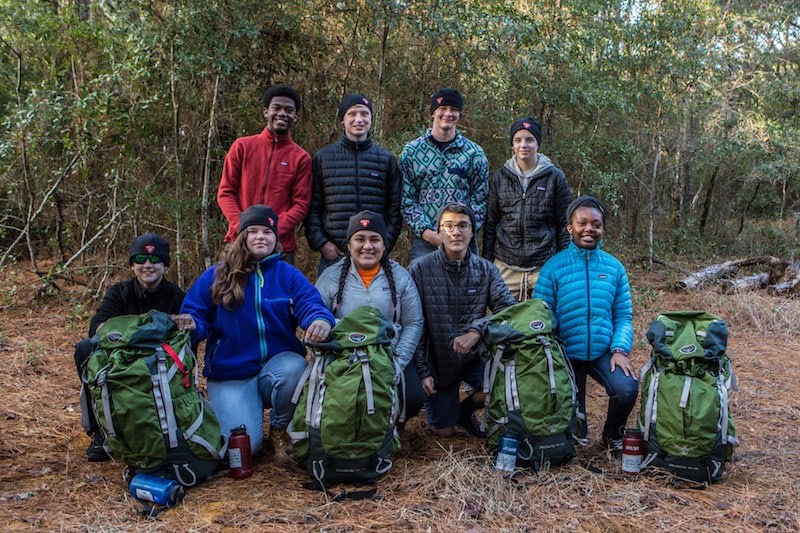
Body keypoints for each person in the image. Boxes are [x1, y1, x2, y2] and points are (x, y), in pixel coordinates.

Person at [174, 205, 334, 461]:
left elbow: (311, 305)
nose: (261, 237)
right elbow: (196, 315)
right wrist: (192, 324)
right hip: (231, 373)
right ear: (242, 238)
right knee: (243, 449)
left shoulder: (288, 275)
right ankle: (241, 413)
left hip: (276, 367)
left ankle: (279, 428)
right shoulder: (217, 275)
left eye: (268, 232)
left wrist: (320, 320)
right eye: (254, 231)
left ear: (276, 239)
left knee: (295, 368)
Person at [533, 196, 637, 452]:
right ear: (570, 227)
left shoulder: (614, 268)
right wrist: (551, 355)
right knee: (575, 435)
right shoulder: (553, 268)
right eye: (582, 223)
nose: (589, 229)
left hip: (603, 351)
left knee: (627, 388)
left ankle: (612, 434)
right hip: (565, 354)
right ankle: (572, 429)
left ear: (603, 229)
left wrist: (620, 349)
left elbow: (623, 316)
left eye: (596, 224)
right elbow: (540, 317)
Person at [315, 210, 424, 449]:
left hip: (388, 353)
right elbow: (315, 317)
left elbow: (414, 322)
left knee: (414, 395)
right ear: (349, 243)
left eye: (374, 239)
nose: (367, 246)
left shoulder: (401, 277)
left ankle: (397, 422)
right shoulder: (331, 277)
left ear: (384, 244)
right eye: (360, 239)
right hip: (344, 356)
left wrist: (399, 360)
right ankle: (343, 430)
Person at [408, 203, 516, 438]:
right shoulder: (419, 269)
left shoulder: (486, 270)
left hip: (474, 358)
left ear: (472, 231)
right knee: (443, 432)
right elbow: (413, 323)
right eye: (448, 226)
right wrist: (424, 370)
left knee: (497, 391)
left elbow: (509, 310)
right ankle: (449, 413)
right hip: (438, 363)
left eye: (462, 226)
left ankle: (464, 412)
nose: (455, 232)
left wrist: (477, 330)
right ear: (439, 231)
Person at [75, 233, 185, 461]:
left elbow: (187, 335)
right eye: (140, 259)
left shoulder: (177, 296)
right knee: (85, 349)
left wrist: (123, 330)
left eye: (155, 260)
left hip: (160, 361)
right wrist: (146, 329)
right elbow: (97, 327)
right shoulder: (119, 292)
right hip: (118, 358)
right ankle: (101, 431)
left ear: (165, 264)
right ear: (132, 264)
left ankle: (176, 424)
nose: (147, 265)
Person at [305, 94, 402, 275]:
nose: (359, 119)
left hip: (374, 253)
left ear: (371, 119)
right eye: (352, 114)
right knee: (328, 303)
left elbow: (395, 209)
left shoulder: (386, 160)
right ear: (343, 119)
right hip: (334, 255)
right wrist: (322, 243)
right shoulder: (323, 158)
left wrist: (385, 243)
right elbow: (312, 207)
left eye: (364, 114)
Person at [217, 85, 312, 264]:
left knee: (277, 293)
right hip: (239, 241)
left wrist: (272, 230)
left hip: (281, 246)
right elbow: (225, 192)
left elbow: (300, 204)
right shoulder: (242, 147)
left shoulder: (301, 158)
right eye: (277, 108)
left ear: (295, 117)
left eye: (289, 110)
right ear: (266, 112)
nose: (282, 113)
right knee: (232, 291)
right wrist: (244, 227)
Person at [483, 117, 573, 301]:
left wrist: (563, 262)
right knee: (505, 324)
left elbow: (564, 224)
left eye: (529, 140)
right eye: (518, 140)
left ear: (537, 143)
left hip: (543, 265)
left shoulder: (554, 177)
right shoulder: (500, 177)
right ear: (512, 144)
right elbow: (491, 222)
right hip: (506, 265)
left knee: (543, 322)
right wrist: (487, 262)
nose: (524, 145)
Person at [400, 88, 489, 261]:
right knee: (421, 287)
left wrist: (464, 232)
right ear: (433, 112)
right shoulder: (412, 152)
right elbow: (407, 200)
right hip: (425, 243)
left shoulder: (474, 153)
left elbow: (480, 201)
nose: (448, 114)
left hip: (463, 242)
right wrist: (427, 233)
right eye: (443, 108)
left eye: (454, 109)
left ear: (459, 114)